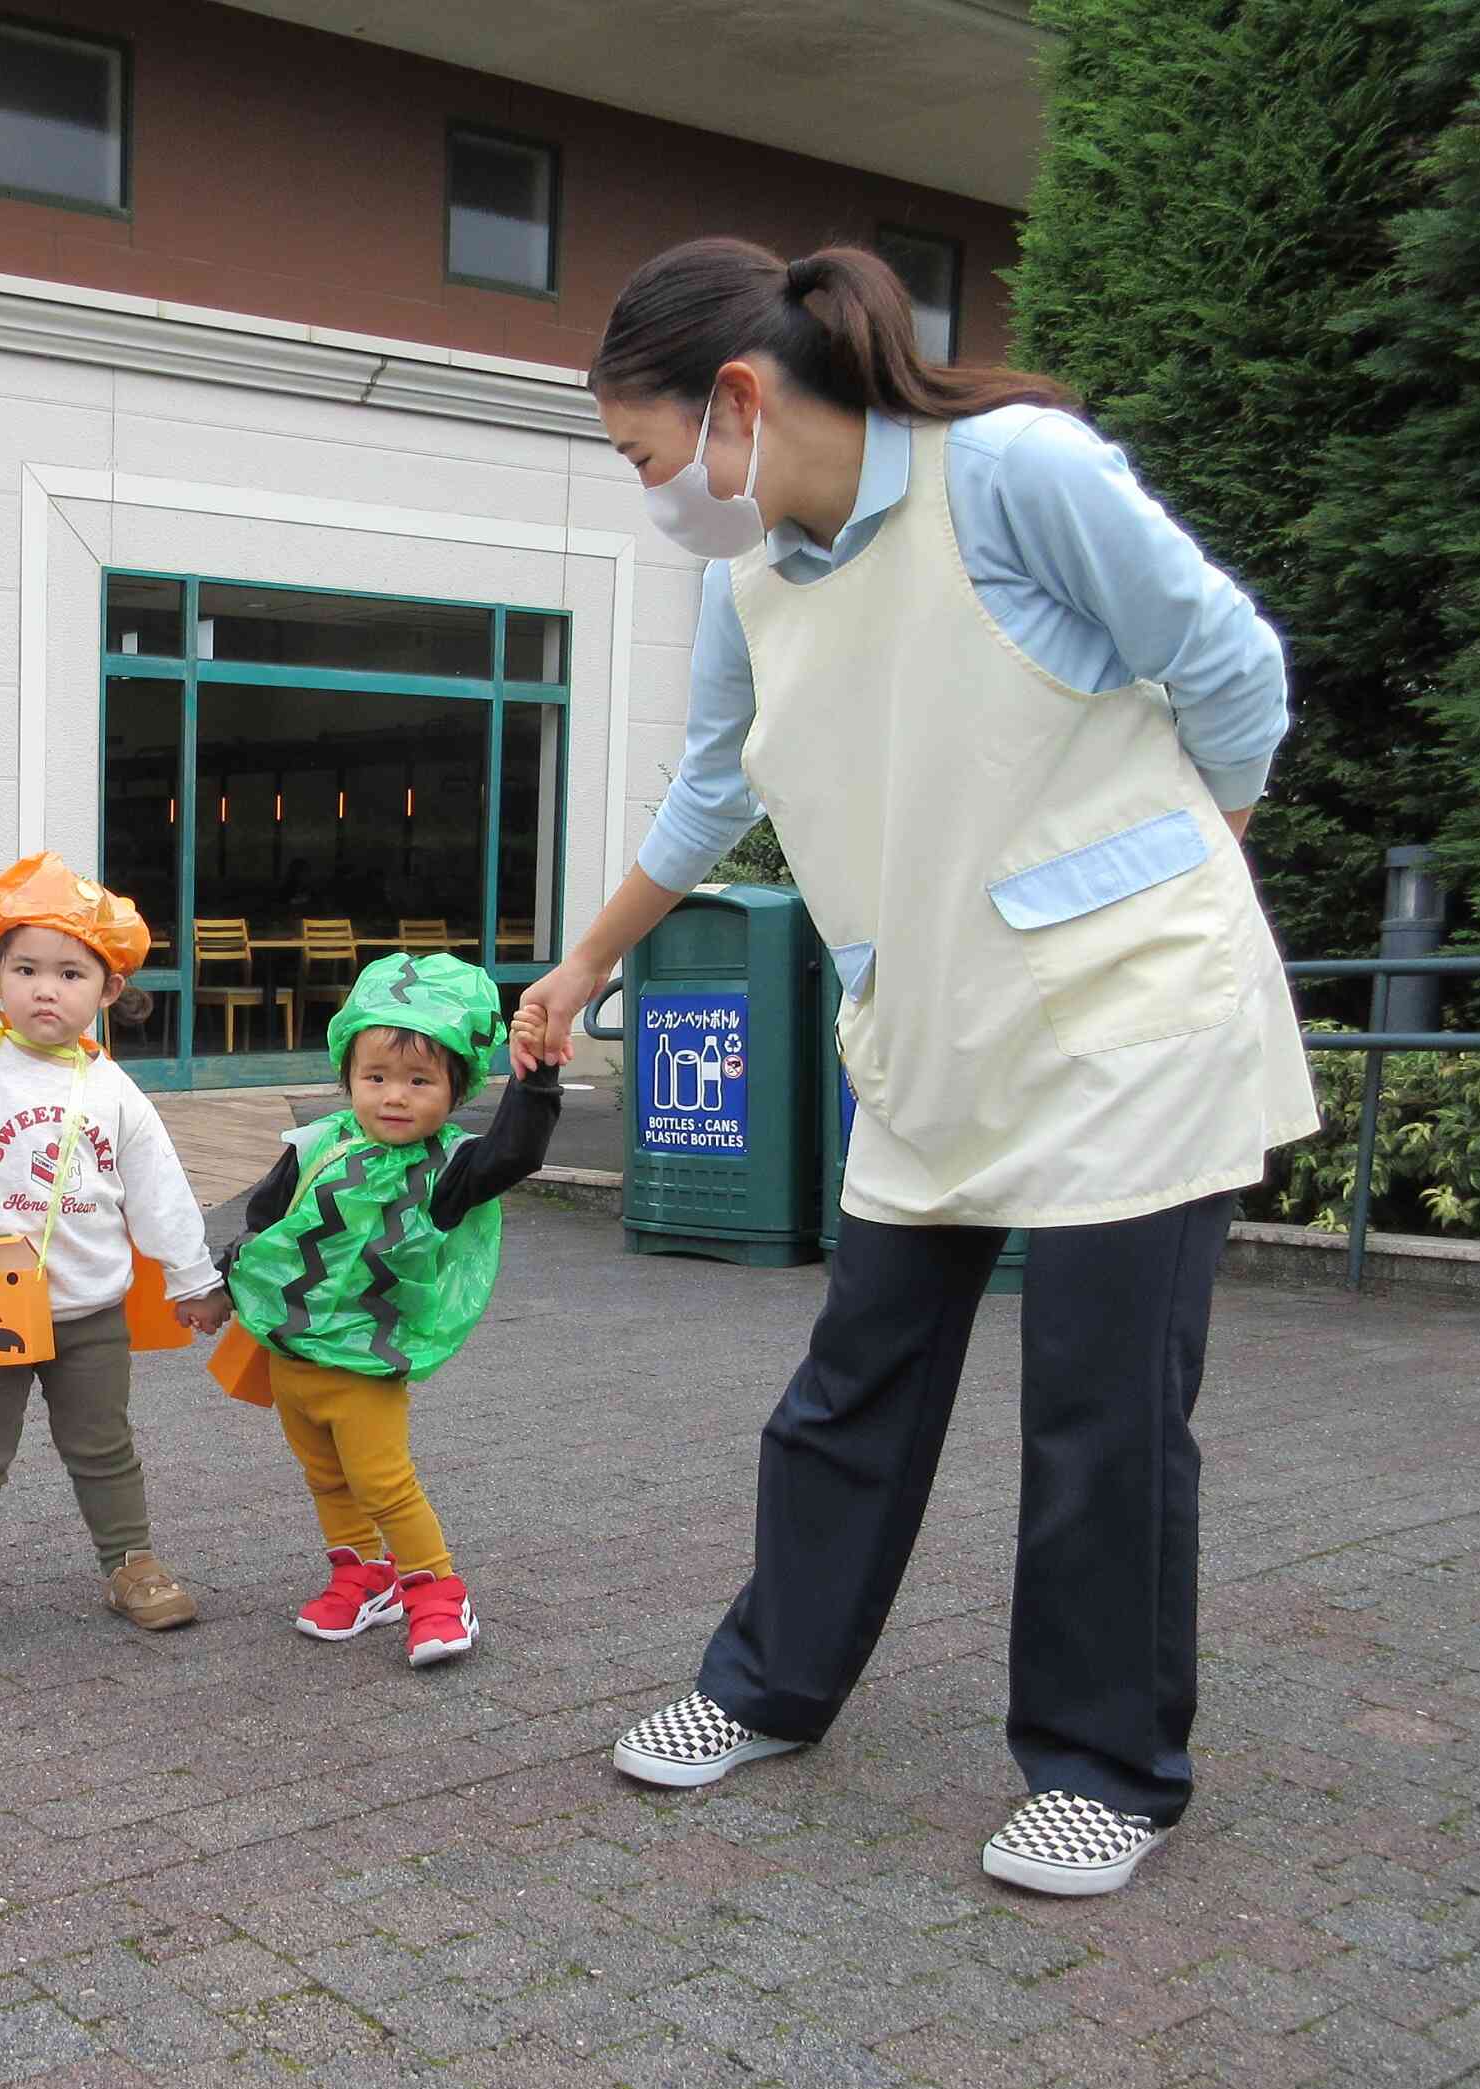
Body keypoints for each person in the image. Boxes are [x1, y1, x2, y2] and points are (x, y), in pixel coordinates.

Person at [520, 238, 1317, 1898]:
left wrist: (1194, 853)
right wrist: (589, 959)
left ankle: (1107, 1770)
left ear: (735, 399)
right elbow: (709, 788)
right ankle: (770, 1685)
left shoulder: (1014, 474)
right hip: (932, 1028)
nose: (651, 494)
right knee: (852, 1382)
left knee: (1100, 1415)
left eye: (643, 456)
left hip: (1127, 1018)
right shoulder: (745, 573)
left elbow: (1230, 668)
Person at [0, 853, 231, 1649]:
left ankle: (130, 1562)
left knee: (103, 1444)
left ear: (109, 990)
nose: (45, 989)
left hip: (91, 1309)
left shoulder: (114, 1091)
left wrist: (195, 1281)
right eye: (24, 968)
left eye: (70, 973)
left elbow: (159, 1192)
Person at [219, 953, 561, 1669]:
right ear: (347, 1078)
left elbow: (514, 1154)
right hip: (291, 1356)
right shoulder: (319, 1143)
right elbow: (266, 1226)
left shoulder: (449, 1170)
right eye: (375, 1078)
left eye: (419, 1081)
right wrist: (224, 1286)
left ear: (455, 1089)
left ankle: (436, 1590)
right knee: (327, 1478)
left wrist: (538, 1078)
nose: (394, 1097)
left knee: (382, 1480)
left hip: (366, 1364)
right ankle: (362, 1577)